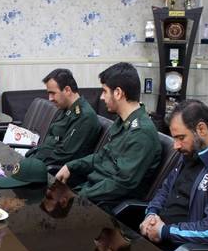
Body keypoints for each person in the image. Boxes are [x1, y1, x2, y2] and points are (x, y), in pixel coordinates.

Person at [55, 62, 161, 205]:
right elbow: (101, 158)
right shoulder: (122, 122)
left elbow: (121, 184)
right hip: (92, 191)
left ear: (118, 93)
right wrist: (70, 166)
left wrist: (80, 195)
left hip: (106, 204)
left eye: (104, 91)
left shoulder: (141, 133)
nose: (101, 97)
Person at [140, 100, 208, 248]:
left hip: (183, 250)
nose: (176, 145)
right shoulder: (189, 152)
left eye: (181, 138)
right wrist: (151, 214)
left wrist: (164, 231)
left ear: (201, 129)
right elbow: (165, 190)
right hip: (158, 236)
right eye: (174, 138)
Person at [25, 68, 100, 167]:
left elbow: (64, 156)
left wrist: (32, 162)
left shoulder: (84, 116)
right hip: (42, 160)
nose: (50, 98)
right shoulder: (66, 109)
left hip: (53, 169)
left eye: (53, 93)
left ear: (67, 90)